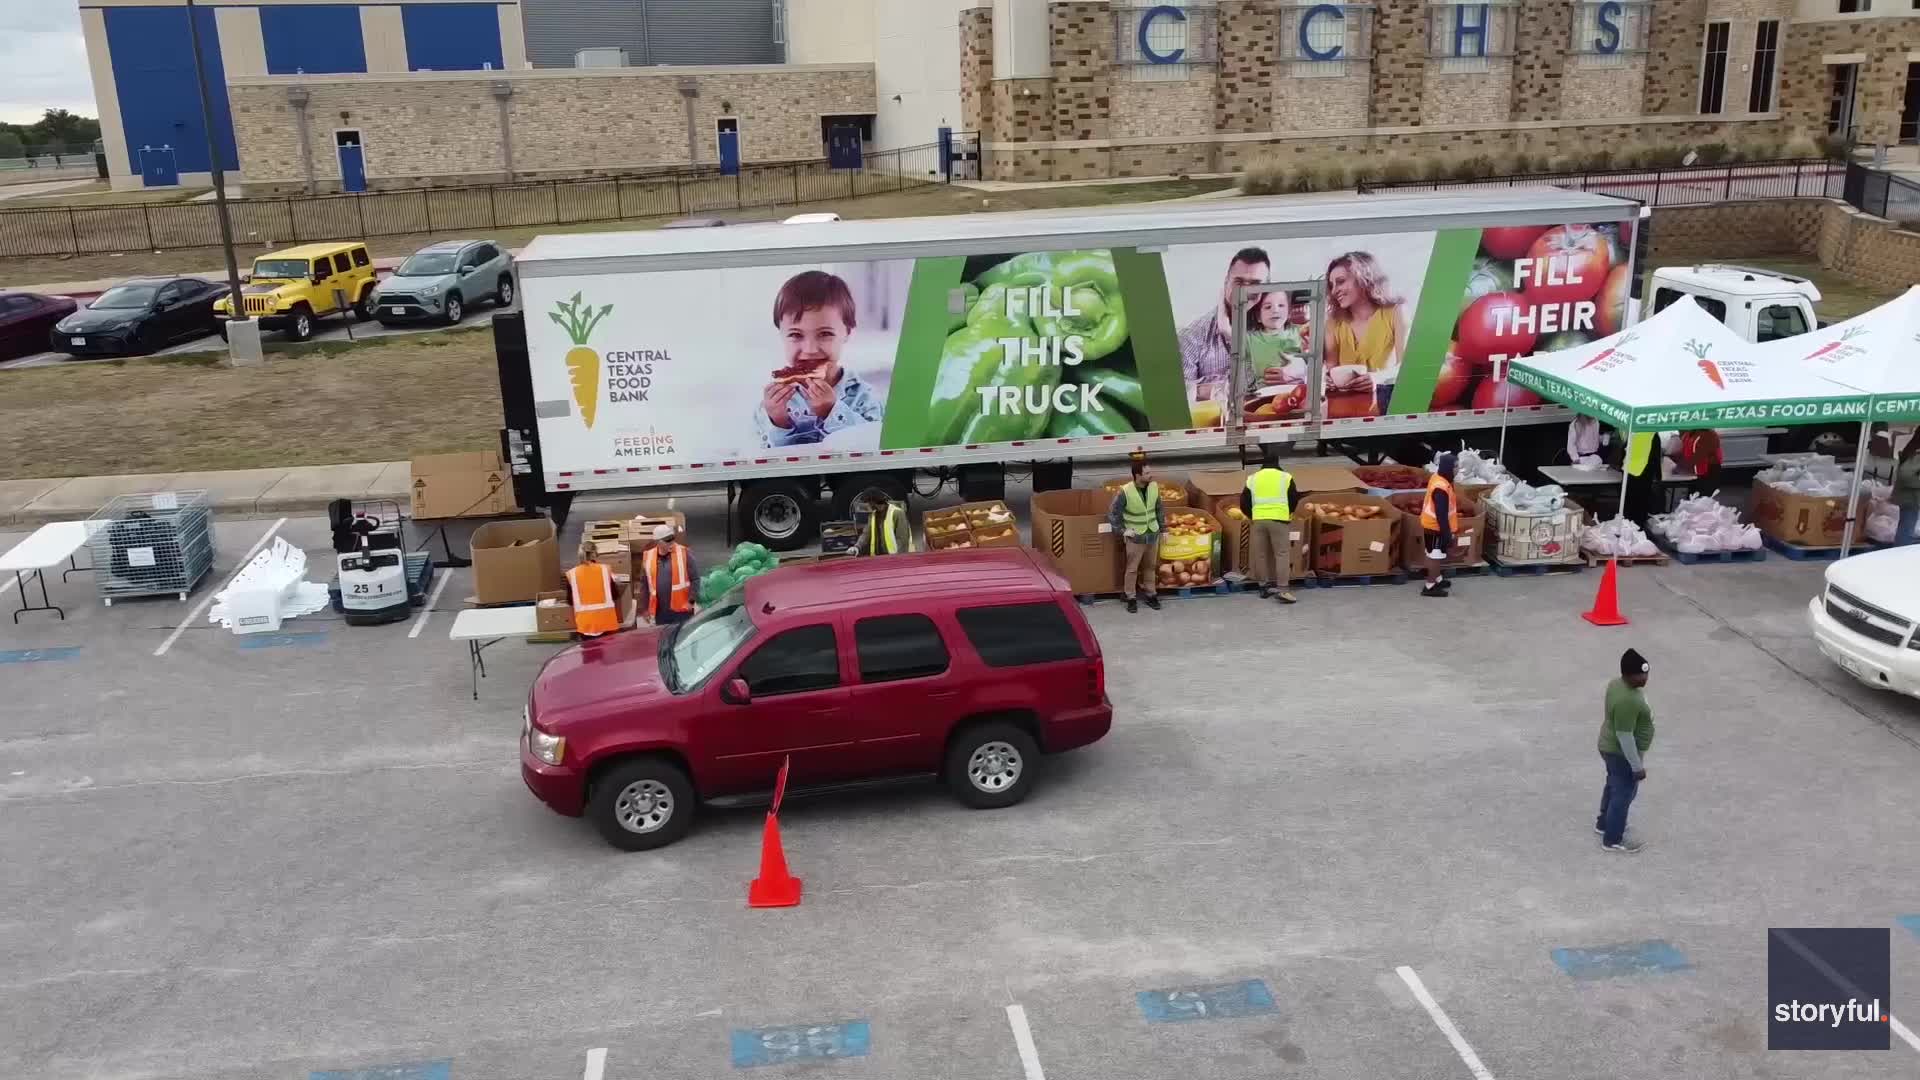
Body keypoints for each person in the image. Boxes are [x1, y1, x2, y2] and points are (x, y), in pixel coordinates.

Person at [754, 270, 883, 448]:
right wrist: (778, 420)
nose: (810, 350)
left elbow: (872, 446)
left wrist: (832, 411)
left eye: (825, 334)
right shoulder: (772, 404)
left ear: (847, 333)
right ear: (781, 335)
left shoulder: (865, 396)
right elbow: (766, 461)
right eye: (796, 335)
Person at [1179, 248, 1301, 399]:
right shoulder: (1192, 335)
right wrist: (1218, 389)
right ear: (1226, 282)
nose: (1245, 291)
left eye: (1255, 284)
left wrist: (1296, 371)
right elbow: (1179, 395)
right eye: (1239, 282)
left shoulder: (1271, 324)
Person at [1322, 251, 1408, 416]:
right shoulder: (1333, 322)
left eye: (1340, 282)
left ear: (1364, 278)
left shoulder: (1396, 312)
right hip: (1343, 409)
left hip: (1385, 406)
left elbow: (1405, 366)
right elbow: (1331, 367)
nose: (1334, 291)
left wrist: (1376, 378)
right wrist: (1328, 379)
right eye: (1332, 285)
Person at [1597, 648, 1654, 854]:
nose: (1645, 678)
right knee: (1623, 793)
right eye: (1640, 674)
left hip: (1608, 746)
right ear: (1628, 675)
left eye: (1646, 673)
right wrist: (1637, 766)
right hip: (1620, 753)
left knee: (1613, 785)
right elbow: (1625, 736)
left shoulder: (1617, 684)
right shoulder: (1627, 700)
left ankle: (1604, 823)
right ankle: (1613, 839)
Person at [1240, 449, 1301, 604]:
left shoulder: (1252, 478)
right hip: (1279, 519)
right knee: (1281, 554)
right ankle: (1283, 590)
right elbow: (1294, 498)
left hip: (1258, 520)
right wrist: (1289, 512)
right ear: (1278, 464)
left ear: (1262, 465)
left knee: (1260, 554)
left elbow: (1244, 502)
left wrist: (1252, 516)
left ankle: (1263, 586)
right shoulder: (1285, 477)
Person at [1107, 457, 1164, 614]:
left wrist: (1163, 529)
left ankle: (1151, 594)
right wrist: (1122, 530)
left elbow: (1159, 509)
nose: (1151, 475)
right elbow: (1113, 513)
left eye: (1150, 472)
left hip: (1152, 535)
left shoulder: (1154, 487)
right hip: (1136, 538)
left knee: (1150, 567)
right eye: (1147, 473)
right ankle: (1130, 597)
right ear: (1138, 475)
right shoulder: (1125, 491)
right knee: (1132, 569)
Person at [637, 523, 698, 626]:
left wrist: (691, 601)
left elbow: (695, 579)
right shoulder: (648, 557)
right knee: (664, 637)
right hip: (661, 612)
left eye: (672, 539)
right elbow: (645, 584)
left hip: (682, 611)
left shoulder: (684, 553)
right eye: (667, 541)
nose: (672, 543)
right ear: (658, 542)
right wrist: (644, 608)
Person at [1418, 452, 1459, 598]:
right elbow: (1441, 514)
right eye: (1456, 466)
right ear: (1449, 468)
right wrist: (1447, 533)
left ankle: (1437, 578)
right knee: (1435, 557)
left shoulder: (1438, 478)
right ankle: (1430, 586)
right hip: (1436, 528)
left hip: (1430, 525)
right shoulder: (1441, 488)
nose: (1458, 469)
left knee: (1432, 554)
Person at [565, 546, 620, 638]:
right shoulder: (605, 570)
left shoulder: (572, 574)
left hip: (585, 624)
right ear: (595, 554)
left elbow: (570, 601)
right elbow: (615, 595)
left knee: (589, 650)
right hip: (606, 622)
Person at [1676, 428, 1723, 496]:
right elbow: (1684, 452)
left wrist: (1682, 466)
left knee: (1702, 499)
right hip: (1695, 473)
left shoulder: (1708, 435)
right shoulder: (1688, 434)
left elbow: (1699, 457)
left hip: (1708, 473)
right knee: (1693, 498)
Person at [1893, 428, 1920, 546]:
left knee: (1906, 530)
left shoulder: (1912, 449)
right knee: (1906, 531)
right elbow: (1905, 475)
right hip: (1911, 499)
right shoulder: (1917, 454)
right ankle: (1899, 557)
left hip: (1909, 498)